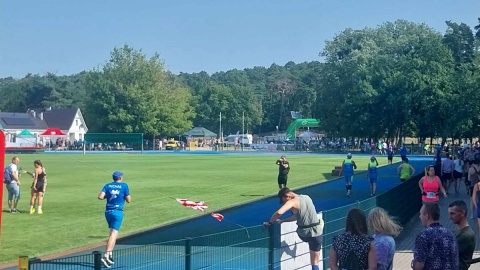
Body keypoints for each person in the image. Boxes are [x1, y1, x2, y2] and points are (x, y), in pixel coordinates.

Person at [263, 188, 323, 270]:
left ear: (287, 196)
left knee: (308, 238)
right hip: (317, 232)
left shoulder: (292, 201)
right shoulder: (307, 197)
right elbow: (297, 216)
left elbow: (279, 213)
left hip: (304, 233)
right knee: (315, 261)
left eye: (284, 201)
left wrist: (269, 222)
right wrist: (283, 221)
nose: (284, 203)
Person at [98, 171, 131, 268]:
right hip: (117, 212)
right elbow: (129, 200)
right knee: (113, 234)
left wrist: (108, 196)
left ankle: (110, 254)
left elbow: (100, 197)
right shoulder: (124, 185)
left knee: (112, 232)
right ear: (120, 178)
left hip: (108, 212)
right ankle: (106, 255)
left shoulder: (107, 185)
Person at [412, 203, 459, 270]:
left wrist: (414, 264)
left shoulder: (423, 236)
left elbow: (418, 266)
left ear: (427, 216)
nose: (419, 216)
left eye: (421, 214)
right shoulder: (451, 234)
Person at [448, 200, 475, 270]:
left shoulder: (465, 236)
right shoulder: (458, 231)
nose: (449, 217)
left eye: (452, 213)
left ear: (463, 213)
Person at [468, 153, 480, 219]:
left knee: (472, 199)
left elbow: (469, 179)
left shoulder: (471, 168)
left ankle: (472, 214)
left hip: (473, 185)